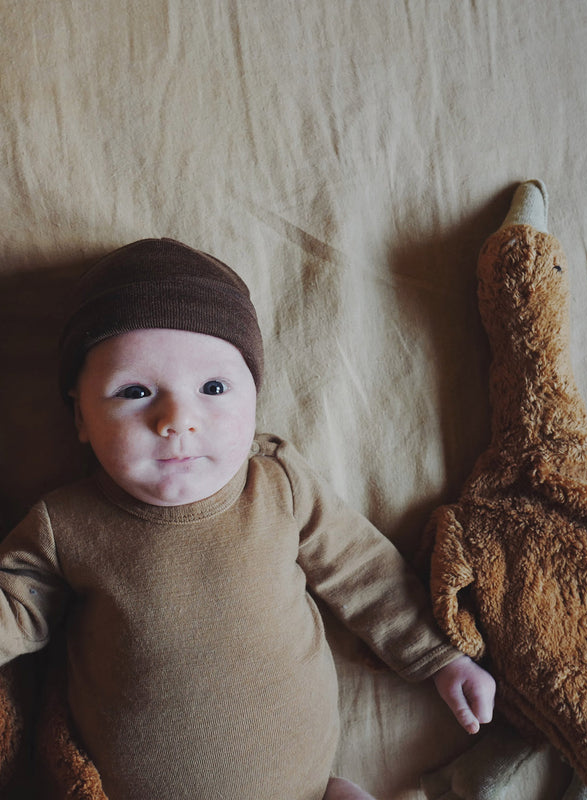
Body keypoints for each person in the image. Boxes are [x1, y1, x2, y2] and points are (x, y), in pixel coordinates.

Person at [0, 238, 495, 800]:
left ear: (254, 398)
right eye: (134, 392)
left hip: (305, 787)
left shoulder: (276, 485)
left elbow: (365, 572)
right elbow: (17, 607)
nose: (176, 419)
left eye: (213, 388)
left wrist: (437, 657)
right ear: (81, 419)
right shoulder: (63, 524)